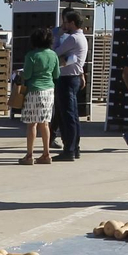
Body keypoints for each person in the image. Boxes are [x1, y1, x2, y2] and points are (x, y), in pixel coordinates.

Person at [19, 27, 58, 165]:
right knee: (45, 123)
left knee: (32, 124)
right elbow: (56, 74)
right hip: (49, 91)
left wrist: (20, 74)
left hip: (34, 90)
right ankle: (46, 154)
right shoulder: (53, 55)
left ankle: (29, 155)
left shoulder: (31, 55)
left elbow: (27, 74)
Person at [52, 12, 87, 161]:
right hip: (73, 78)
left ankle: (69, 150)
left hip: (67, 79)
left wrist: (57, 37)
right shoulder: (80, 37)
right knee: (71, 115)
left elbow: (54, 53)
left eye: (65, 22)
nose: (63, 25)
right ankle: (74, 148)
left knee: (68, 116)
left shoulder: (72, 38)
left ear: (72, 23)